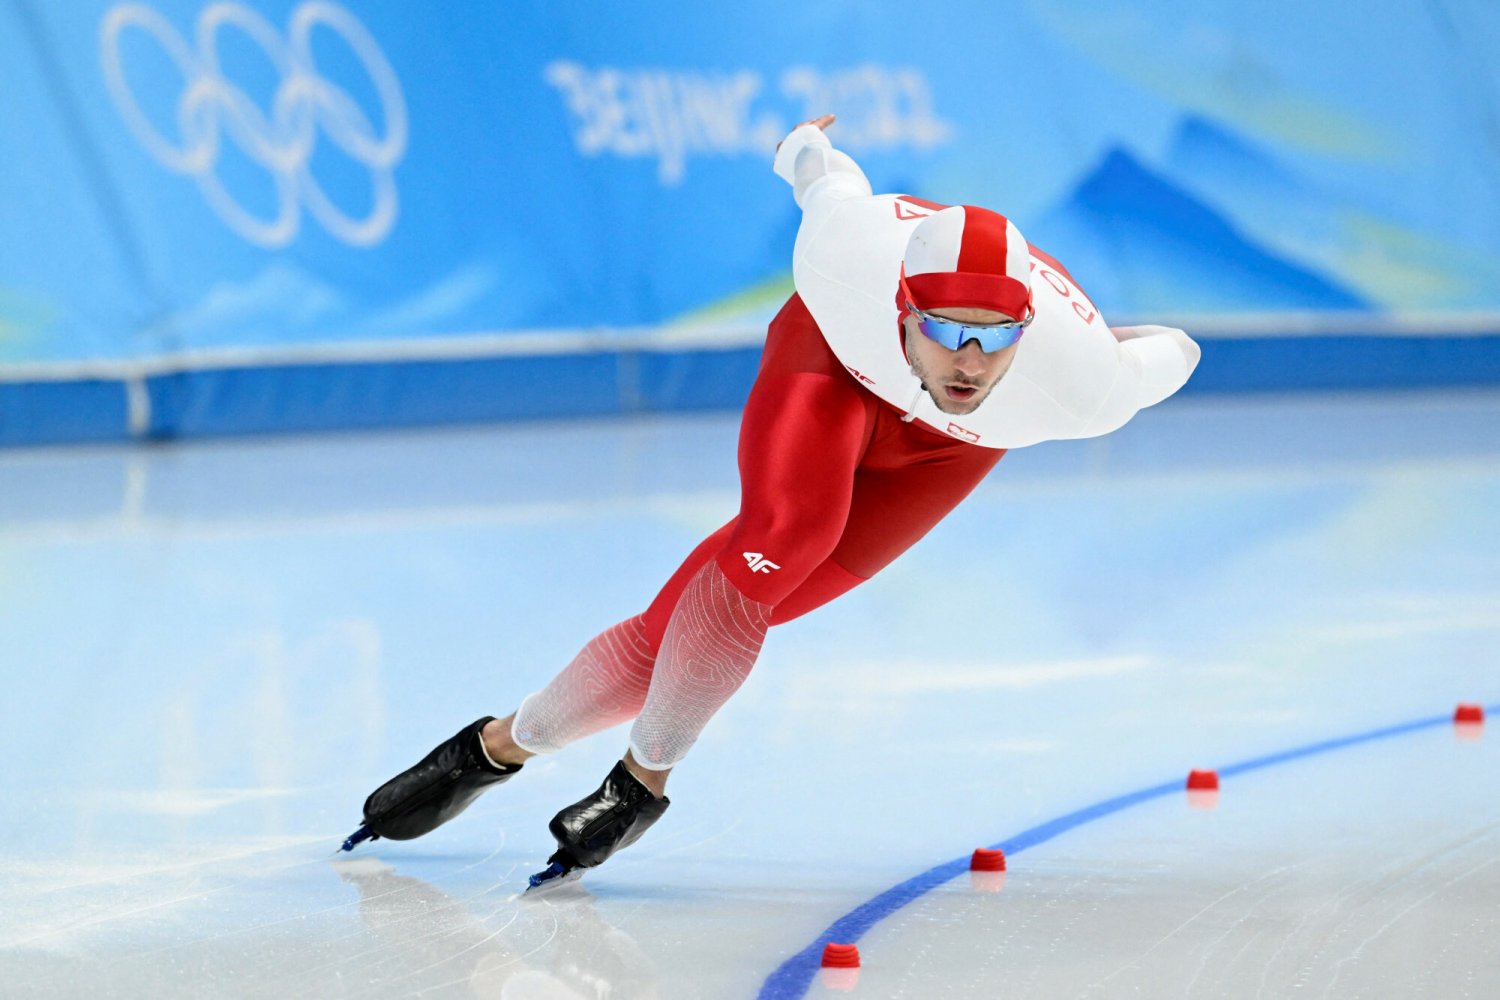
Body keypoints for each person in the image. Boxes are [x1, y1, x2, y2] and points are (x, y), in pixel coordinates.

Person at [344, 114, 1201, 888]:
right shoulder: (846, 264)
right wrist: (804, 143)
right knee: (785, 536)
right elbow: (824, 175)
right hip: (833, 364)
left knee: (698, 626)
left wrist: (1106, 348)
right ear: (903, 308)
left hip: (950, 450)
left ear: (1026, 332)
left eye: (995, 337)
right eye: (945, 329)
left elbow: (1178, 350)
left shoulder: (1079, 385)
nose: (969, 362)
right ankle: (639, 790)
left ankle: (494, 747)